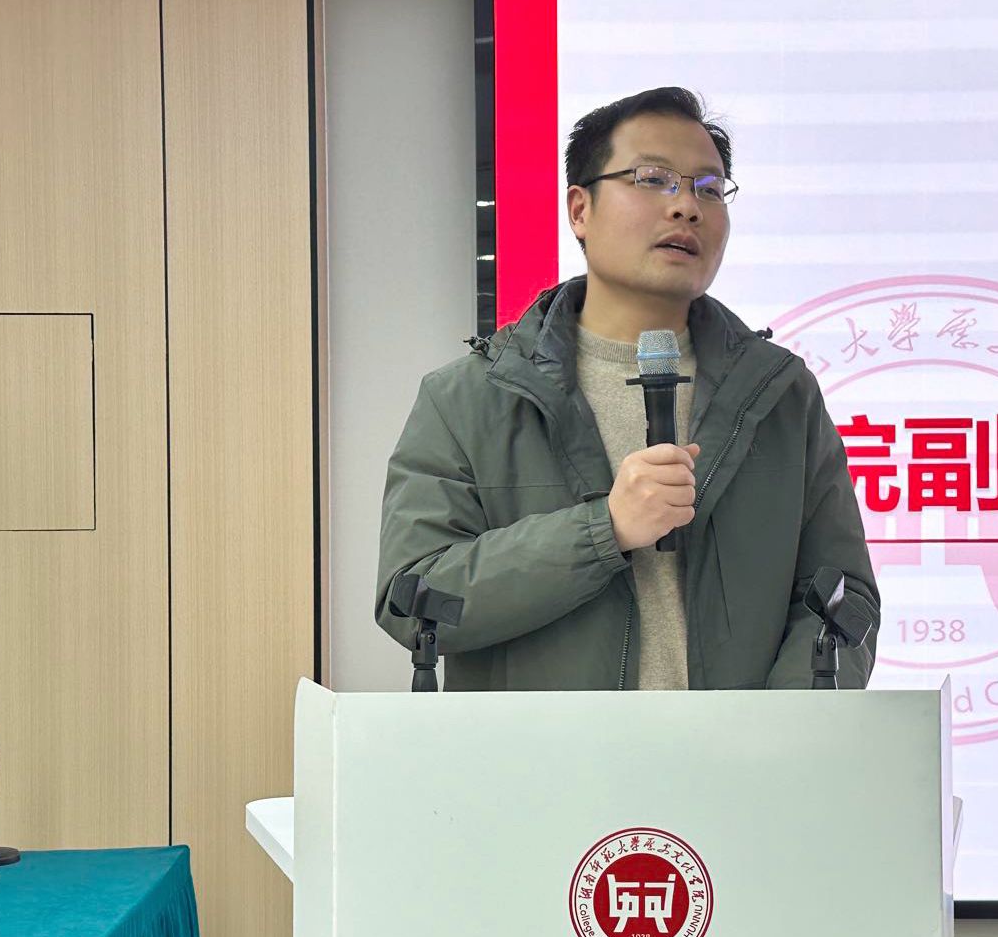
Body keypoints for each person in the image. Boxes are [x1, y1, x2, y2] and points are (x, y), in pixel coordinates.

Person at [375, 86, 877, 691]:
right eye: (653, 179)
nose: (686, 207)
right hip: (544, 753)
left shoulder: (780, 395)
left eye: (708, 188)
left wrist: (777, 731)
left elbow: (842, 599)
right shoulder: (470, 398)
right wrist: (604, 529)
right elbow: (414, 600)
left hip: (739, 752)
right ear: (579, 210)